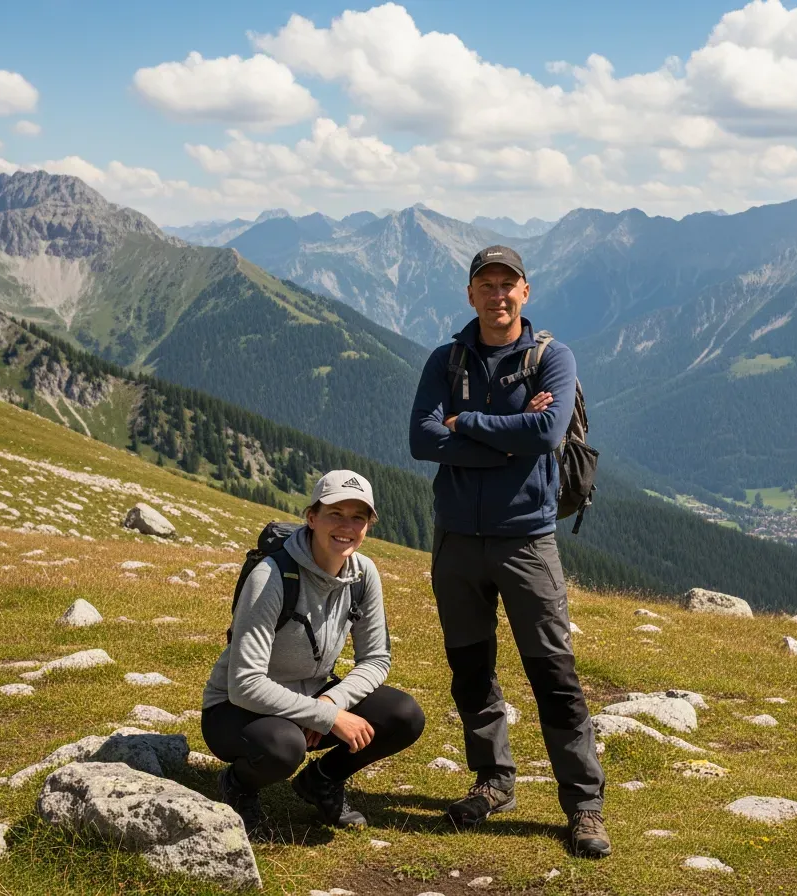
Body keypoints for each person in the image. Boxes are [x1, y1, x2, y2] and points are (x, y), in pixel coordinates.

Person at [408, 245, 610, 858]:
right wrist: (508, 436)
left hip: (526, 539)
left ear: (526, 291)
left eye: (508, 284)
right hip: (456, 540)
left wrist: (464, 423)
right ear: (471, 294)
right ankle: (493, 781)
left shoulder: (552, 357)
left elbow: (547, 434)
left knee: (553, 672)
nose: (497, 295)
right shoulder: (446, 360)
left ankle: (584, 806)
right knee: (470, 668)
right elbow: (421, 439)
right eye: (486, 285)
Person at [200, 470, 425, 834]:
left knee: (404, 715)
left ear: (368, 526)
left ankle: (321, 780)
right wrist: (325, 716)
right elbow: (244, 684)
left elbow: (376, 658)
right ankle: (238, 786)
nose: (347, 527)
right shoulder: (271, 576)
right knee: (283, 746)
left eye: (358, 517)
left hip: (315, 694)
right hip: (236, 708)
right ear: (312, 517)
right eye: (335, 513)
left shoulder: (363, 574)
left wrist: (331, 702)